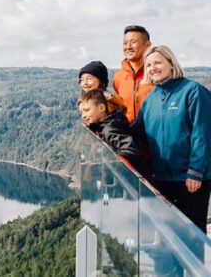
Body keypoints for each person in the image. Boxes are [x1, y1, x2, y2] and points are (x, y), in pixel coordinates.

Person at [131, 45, 211, 233]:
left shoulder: (193, 92)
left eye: (158, 62)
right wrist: (103, 124)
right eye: (148, 65)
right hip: (161, 178)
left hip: (190, 179)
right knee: (168, 234)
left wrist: (195, 171)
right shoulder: (151, 99)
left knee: (192, 234)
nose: (153, 68)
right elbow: (136, 132)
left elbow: (203, 134)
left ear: (171, 63)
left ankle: (191, 264)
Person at [77, 89, 143, 171]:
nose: (83, 116)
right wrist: (92, 127)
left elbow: (131, 150)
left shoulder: (110, 129)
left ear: (101, 108)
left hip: (133, 178)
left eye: (87, 110)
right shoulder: (107, 124)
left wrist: (110, 162)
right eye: (81, 113)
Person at [113, 25, 154, 123]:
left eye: (133, 42)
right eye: (125, 43)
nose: (128, 47)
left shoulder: (156, 74)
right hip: (128, 136)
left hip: (154, 135)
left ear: (148, 45)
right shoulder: (119, 77)